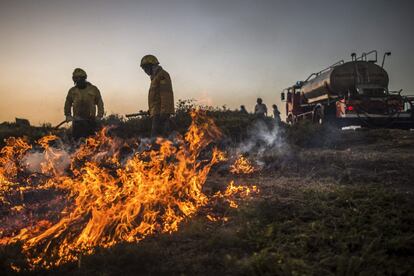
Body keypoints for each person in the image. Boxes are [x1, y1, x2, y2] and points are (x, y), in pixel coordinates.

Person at [64, 68, 104, 140]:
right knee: (77, 142)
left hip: (90, 121)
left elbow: (99, 102)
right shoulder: (72, 91)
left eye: (80, 78)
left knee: (91, 141)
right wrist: (68, 115)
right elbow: (68, 103)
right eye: (76, 78)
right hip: (77, 121)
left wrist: (99, 116)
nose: (79, 80)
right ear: (74, 80)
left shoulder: (93, 89)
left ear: (84, 78)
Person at [140, 54, 175, 137]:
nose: (145, 71)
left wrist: (164, 112)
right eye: (143, 69)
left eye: (146, 68)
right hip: (156, 112)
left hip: (161, 113)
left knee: (156, 139)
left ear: (152, 66)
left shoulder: (162, 75)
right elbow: (156, 98)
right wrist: (151, 110)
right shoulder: (154, 78)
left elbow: (166, 94)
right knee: (160, 139)